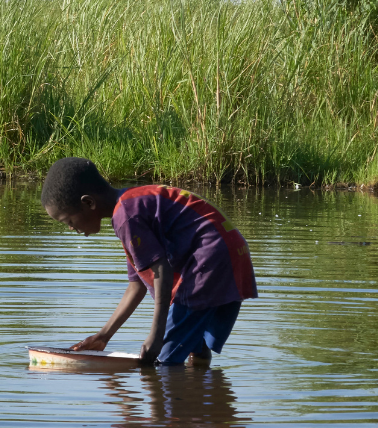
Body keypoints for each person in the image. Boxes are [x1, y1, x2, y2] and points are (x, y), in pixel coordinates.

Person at [40, 157, 256, 366]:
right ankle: (199, 392)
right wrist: (103, 336)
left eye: (68, 220)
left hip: (211, 258)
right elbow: (137, 285)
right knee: (192, 342)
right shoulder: (130, 206)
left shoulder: (126, 215)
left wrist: (157, 334)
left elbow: (160, 270)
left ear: (88, 203)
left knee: (163, 361)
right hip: (229, 253)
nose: (71, 228)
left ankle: (176, 395)